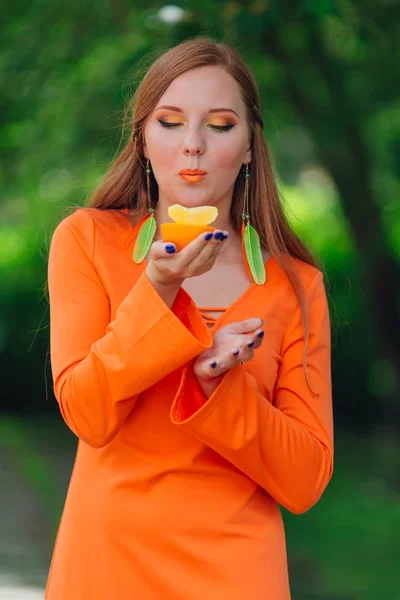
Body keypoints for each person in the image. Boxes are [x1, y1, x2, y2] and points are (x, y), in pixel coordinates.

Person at [45, 37, 334, 600]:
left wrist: (217, 387)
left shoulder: (297, 285)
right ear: (144, 140)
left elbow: (305, 481)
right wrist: (157, 289)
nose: (193, 146)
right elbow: (87, 414)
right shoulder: (86, 241)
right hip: (107, 564)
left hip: (238, 573)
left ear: (250, 146)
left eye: (221, 125)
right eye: (171, 122)